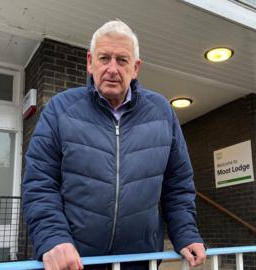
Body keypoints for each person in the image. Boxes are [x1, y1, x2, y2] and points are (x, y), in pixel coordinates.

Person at [22, 20, 206, 270]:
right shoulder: (60, 109)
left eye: (122, 60)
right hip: (76, 262)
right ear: (90, 62)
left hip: (140, 262)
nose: (112, 68)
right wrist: (53, 238)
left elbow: (178, 184)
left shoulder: (162, 112)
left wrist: (185, 232)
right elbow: (40, 182)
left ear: (136, 67)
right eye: (104, 58)